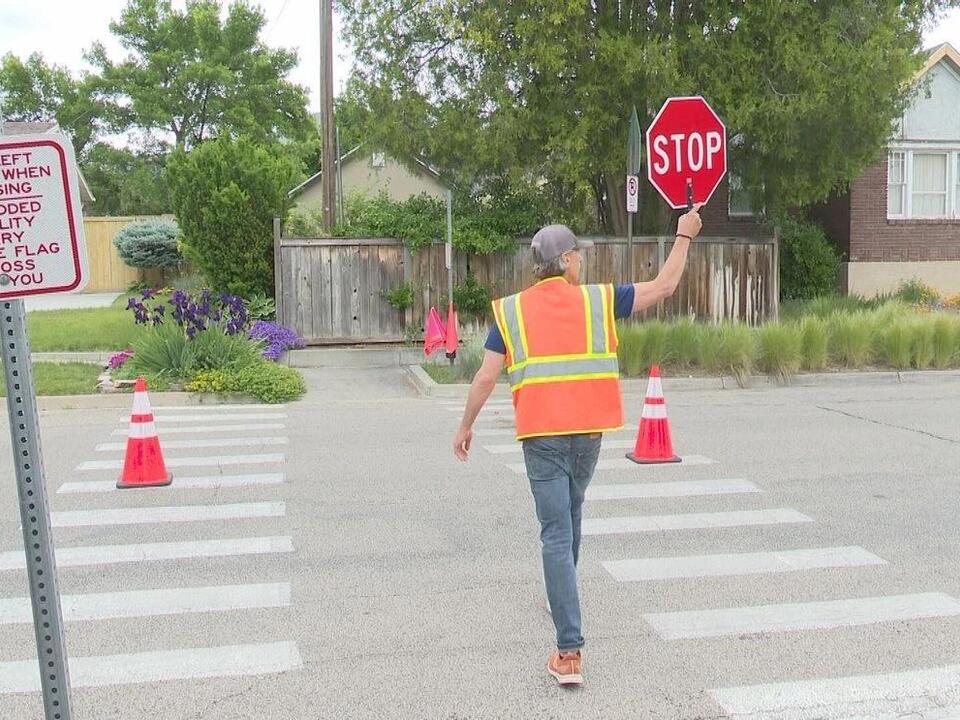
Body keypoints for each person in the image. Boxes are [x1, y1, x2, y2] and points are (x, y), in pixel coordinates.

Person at [452, 206, 704, 686]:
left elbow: (485, 376)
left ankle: (568, 652)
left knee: (555, 530)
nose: (583, 261)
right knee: (571, 514)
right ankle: (561, 597)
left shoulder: (511, 311)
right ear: (565, 260)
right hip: (587, 434)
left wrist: (466, 425)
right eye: (578, 255)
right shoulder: (598, 301)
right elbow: (664, 287)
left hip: (541, 437)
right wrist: (683, 236)